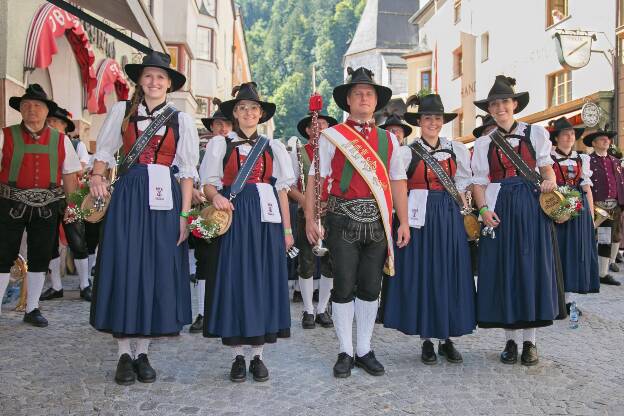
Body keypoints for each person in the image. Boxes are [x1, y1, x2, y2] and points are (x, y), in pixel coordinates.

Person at [89, 51, 199, 385]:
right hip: (130, 193)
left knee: (155, 267)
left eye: (160, 77)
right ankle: (124, 352)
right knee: (126, 266)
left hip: (165, 197)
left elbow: (186, 173)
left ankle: (144, 352)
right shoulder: (123, 111)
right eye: (149, 76)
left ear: (169, 84)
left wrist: (183, 216)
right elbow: (105, 153)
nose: (154, 82)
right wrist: (97, 175)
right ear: (140, 80)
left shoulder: (181, 120)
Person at [306, 67, 410, 378]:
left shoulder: (390, 140)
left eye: (369, 93)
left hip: (378, 222)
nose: (363, 98)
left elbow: (398, 181)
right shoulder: (331, 137)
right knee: (343, 286)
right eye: (357, 94)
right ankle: (344, 350)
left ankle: (364, 348)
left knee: (370, 287)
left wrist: (403, 221)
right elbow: (315, 177)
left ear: (376, 101)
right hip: (340, 219)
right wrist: (311, 218)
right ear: (348, 101)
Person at [200, 82, 295, 383]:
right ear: (235, 113)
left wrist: (288, 229)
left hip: (267, 223)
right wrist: (215, 196)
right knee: (236, 281)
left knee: (263, 280)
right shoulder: (220, 144)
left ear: (261, 114)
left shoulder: (274, 147)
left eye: (254, 108)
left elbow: (282, 191)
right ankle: (237, 357)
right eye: (243, 108)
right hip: (235, 219)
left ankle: (258, 357)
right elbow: (208, 184)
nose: (249, 113)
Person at [471, 75, 565, 366]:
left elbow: (547, 171)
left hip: (531, 210)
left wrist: (549, 182)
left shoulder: (535, 134)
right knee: (505, 272)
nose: (500, 108)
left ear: (514, 104)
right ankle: (510, 342)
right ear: (490, 109)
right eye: (494, 104)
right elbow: (478, 183)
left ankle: (530, 343)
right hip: (500, 209)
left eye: (504, 102)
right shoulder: (484, 143)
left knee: (531, 270)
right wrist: (484, 211)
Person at [383, 94, 476, 364]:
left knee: (449, 273)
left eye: (437, 118)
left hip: (448, 215)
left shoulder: (455, 150)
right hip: (419, 217)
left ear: (442, 121)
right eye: (428, 118)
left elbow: (462, 185)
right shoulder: (406, 152)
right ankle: (426, 339)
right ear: (420, 121)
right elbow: (398, 188)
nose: (433, 123)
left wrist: (465, 211)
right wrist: (402, 223)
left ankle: (447, 338)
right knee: (425, 274)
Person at [0, 84, 81, 325]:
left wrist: (73, 206)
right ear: (20, 110)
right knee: (2, 255)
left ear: (47, 112)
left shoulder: (61, 140)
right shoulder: (5, 134)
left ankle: (32, 308)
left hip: (47, 206)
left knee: (40, 255)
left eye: (37, 105)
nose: (31, 109)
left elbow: (69, 176)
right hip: (9, 203)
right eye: (26, 106)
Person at [188, 98, 234, 334]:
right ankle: (203, 313)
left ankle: (224, 310)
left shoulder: (235, 148)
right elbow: (184, 173)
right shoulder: (196, 148)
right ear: (211, 127)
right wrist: (193, 191)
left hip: (229, 210)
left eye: (227, 124)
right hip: (203, 208)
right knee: (204, 262)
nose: (223, 129)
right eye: (218, 124)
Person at [291, 111, 337, 329]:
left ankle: (322, 309)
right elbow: (289, 186)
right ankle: (308, 309)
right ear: (308, 130)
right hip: (306, 214)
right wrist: (307, 202)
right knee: (306, 262)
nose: (319, 128)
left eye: (323, 124)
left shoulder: (338, 151)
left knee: (331, 263)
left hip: (332, 212)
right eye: (314, 125)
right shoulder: (298, 153)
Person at [41, 105, 92, 302]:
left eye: (55, 122)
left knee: (77, 240)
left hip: (72, 195)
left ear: (64, 126)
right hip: (48, 196)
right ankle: (56, 286)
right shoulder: (44, 143)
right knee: (50, 242)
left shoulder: (76, 145)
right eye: (49, 121)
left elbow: (79, 169)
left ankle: (84, 284)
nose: (51, 125)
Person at [548, 117, 599, 312]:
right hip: (556, 206)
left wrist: (591, 215)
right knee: (557, 251)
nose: (569, 137)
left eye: (572, 134)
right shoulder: (548, 159)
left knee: (573, 252)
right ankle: (555, 297)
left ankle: (568, 300)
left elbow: (586, 188)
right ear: (557, 138)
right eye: (565, 134)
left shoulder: (582, 159)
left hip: (578, 207)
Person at [584, 126, 624, 286]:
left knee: (607, 238)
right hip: (596, 205)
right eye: (602, 138)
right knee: (588, 238)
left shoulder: (615, 161)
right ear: (594, 143)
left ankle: (603, 273)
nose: (606, 140)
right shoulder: (588, 161)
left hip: (613, 206)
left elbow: (620, 183)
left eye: (607, 138)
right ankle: (588, 270)